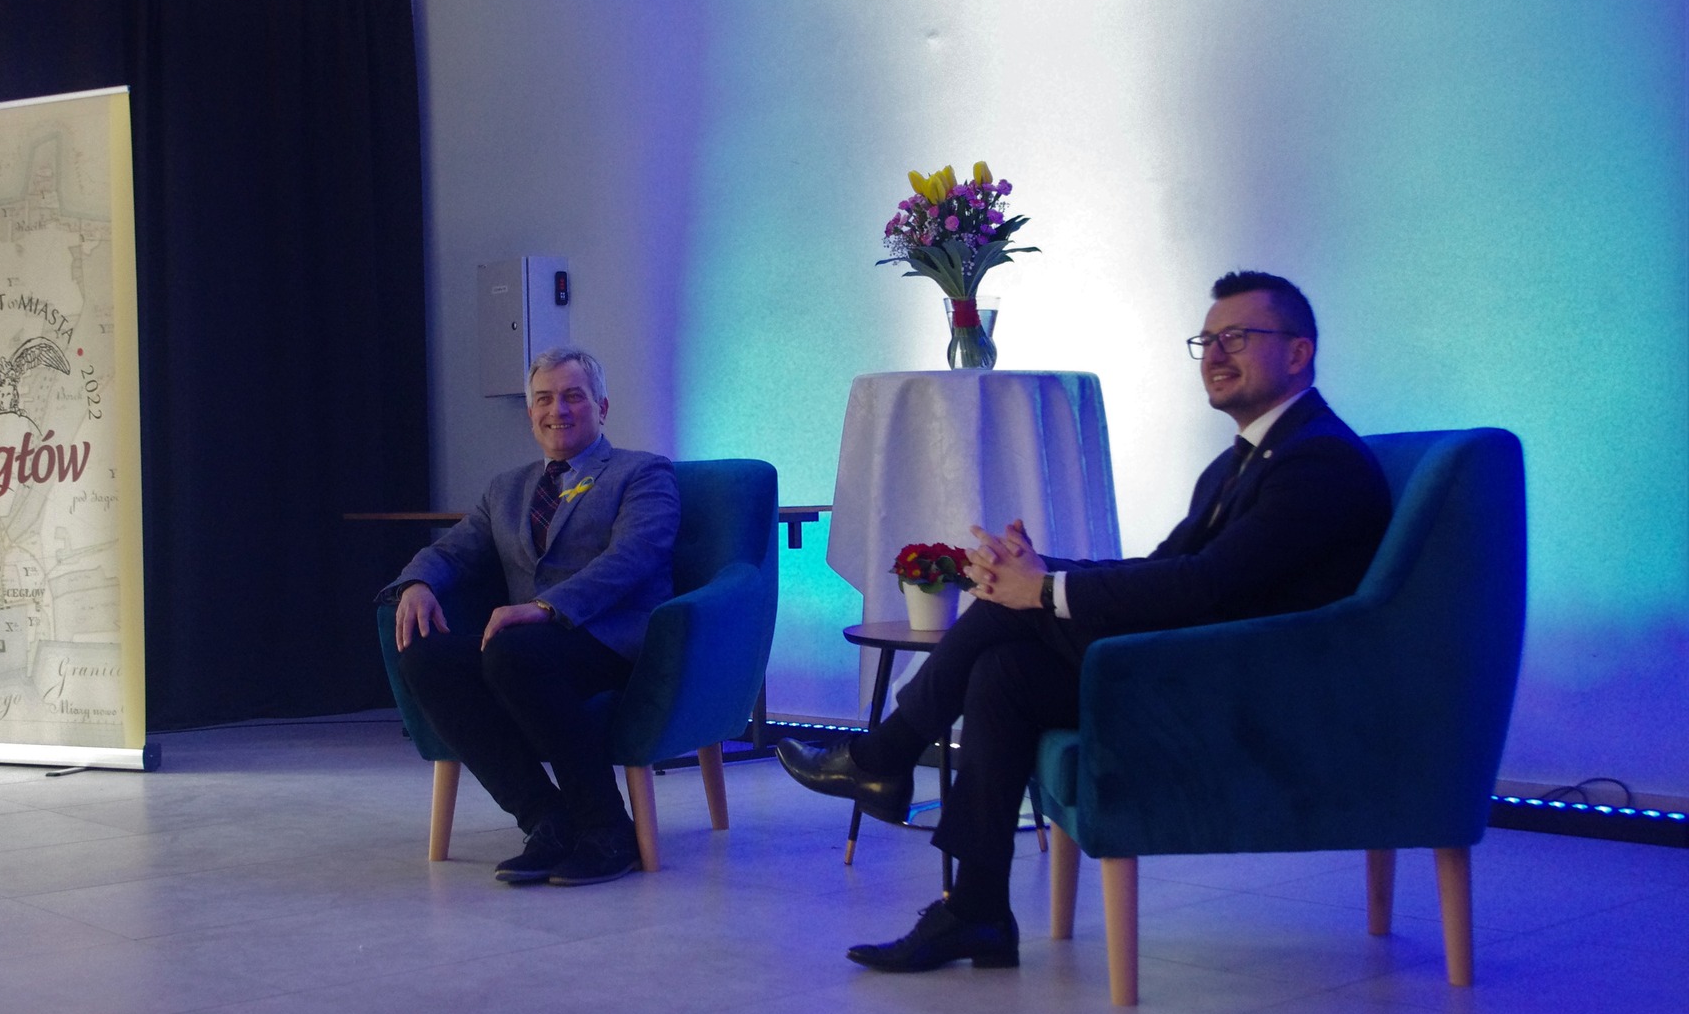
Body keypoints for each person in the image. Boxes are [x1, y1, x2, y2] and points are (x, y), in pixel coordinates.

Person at [779, 270, 1392, 970]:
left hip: (1251, 690)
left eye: (1238, 338)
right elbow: (1167, 568)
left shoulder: (1318, 461)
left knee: (1010, 617)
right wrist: (1044, 571)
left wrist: (1044, 590)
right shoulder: (1247, 461)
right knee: (1005, 670)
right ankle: (976, 908)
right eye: (1207, 341)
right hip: (1203, 662)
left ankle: (882, 759)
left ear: (1299, 352)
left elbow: (1207, 586)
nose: (1216, 355)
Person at [383, 346, 678, 887]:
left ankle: (608, 830)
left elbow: (634, 557)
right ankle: (547, 819)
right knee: (426, 658)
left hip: (611, 640)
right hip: (526, 647)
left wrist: (545, 607)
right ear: (530, 412)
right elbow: (454, 551)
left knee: (513, 651)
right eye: (544, 399)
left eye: (573, 396)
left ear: (602, 407)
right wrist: (417, 583)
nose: (557, 410)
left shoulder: (642, 472)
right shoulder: (506, 488)